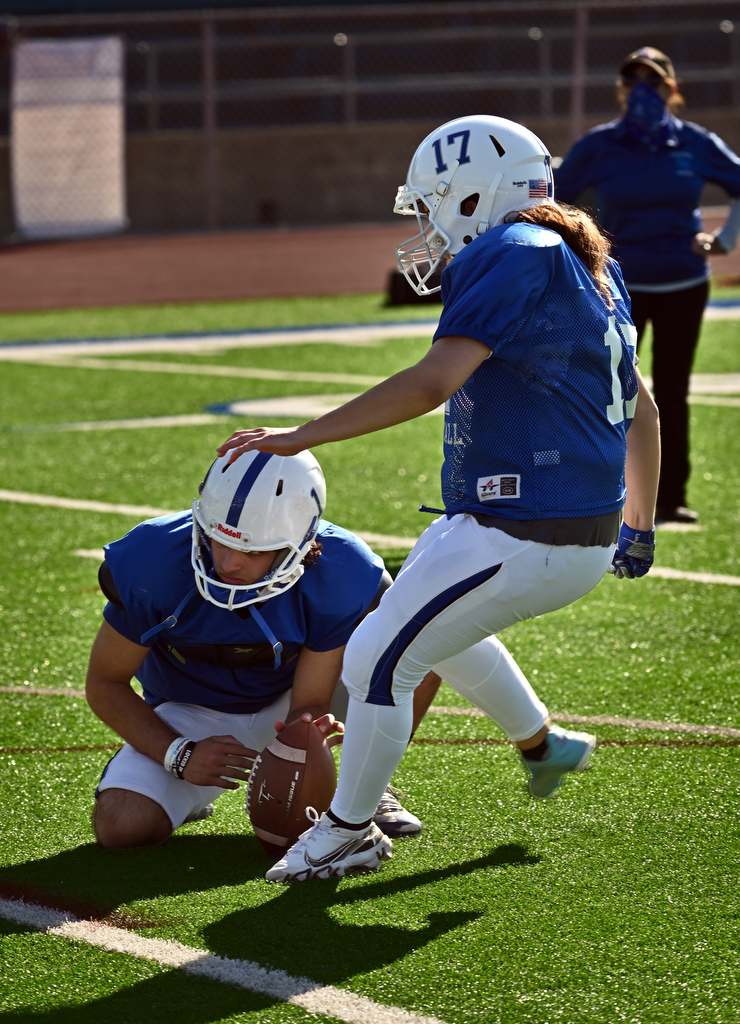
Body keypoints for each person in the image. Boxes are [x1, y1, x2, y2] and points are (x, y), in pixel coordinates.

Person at [217, 113, 661, 882]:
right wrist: (640, 527)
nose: (425, 226)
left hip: (528, 530)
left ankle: (348, 830)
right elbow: (644, 410)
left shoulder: (511, 250)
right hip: (536, 524)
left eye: (430, 205)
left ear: (470, 197)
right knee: (413, 611)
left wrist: (301, 434)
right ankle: (544, 745)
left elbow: (432, 382)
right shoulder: (584, 257)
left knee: (377, 657)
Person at [87, 449, 429, 849]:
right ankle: (182, 793)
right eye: (217, 540)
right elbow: (105, 682)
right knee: (121, 826)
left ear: (301, 543)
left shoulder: (340, 570)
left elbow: (311, 700)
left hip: (286, 703)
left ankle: (365, 787)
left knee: (420, 640)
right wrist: (177, 753)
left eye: (253, 549)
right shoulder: (154, 560)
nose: (230, 563)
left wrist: (309, 734)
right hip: (188, 711)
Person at [555, 46, 740, 524]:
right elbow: (551, 197)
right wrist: (577, 250)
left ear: (671, 89)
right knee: (608, 387)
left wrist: (725, 241)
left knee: (672, 390)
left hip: (684, 282)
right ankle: (603, 495)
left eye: (652, 82)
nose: (642, 92)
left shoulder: (695, 142)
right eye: (632, 81)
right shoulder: (600, 145)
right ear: (620, 91)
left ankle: (670, 497)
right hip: (617, 288)